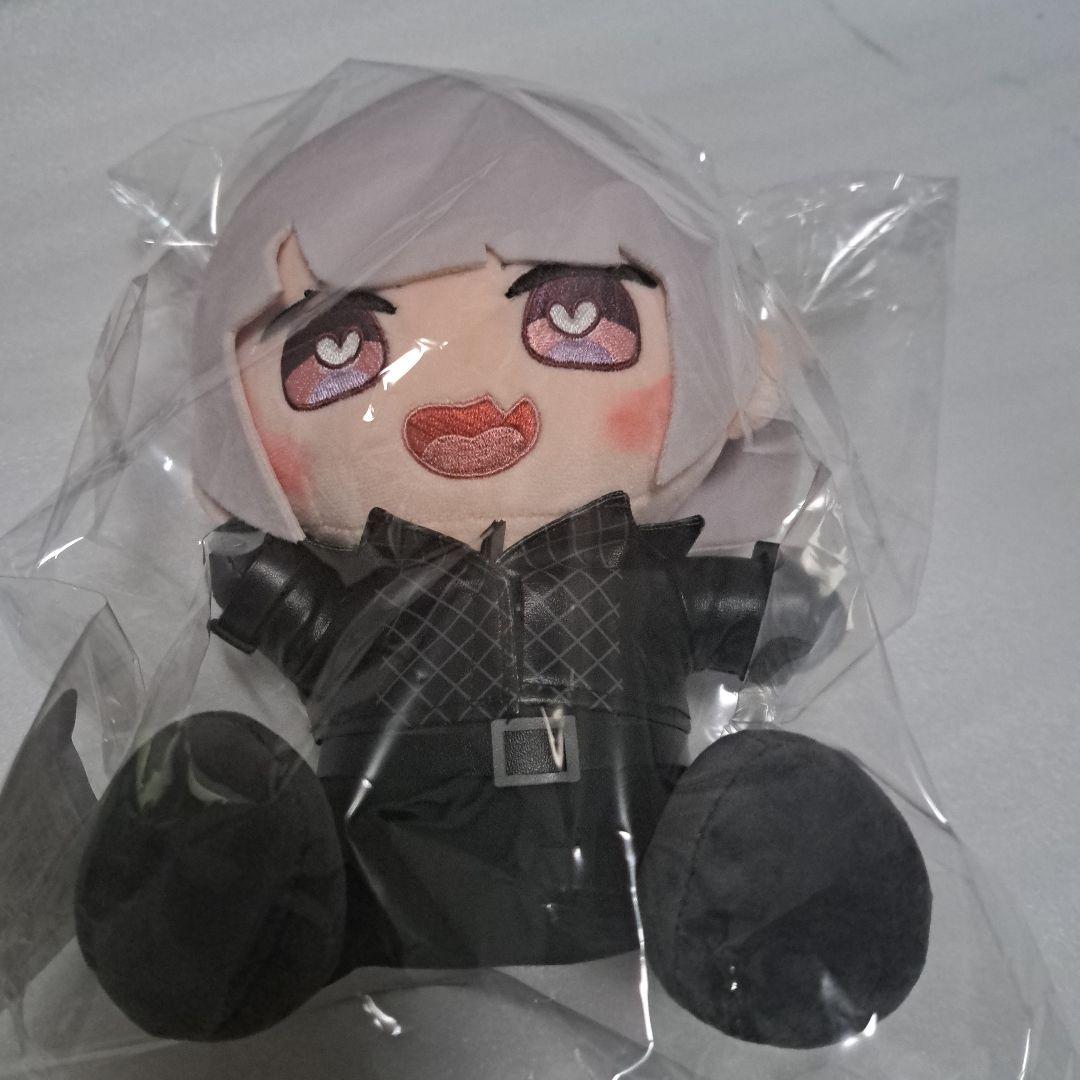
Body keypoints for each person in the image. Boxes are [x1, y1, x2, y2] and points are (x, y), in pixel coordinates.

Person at [74, 72, 930, 1050]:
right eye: (341, 348)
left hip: (637, 872)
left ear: (727, 359)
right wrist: (258, 577)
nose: (467, 402)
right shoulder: (376, 602)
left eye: (574, 319)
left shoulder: (637, 580)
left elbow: (744, 609)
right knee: (222, 839)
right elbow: (301, 617)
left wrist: (781, 600)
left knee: (772, 832)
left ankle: (771, 901)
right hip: (380, 884)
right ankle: (233, 903)